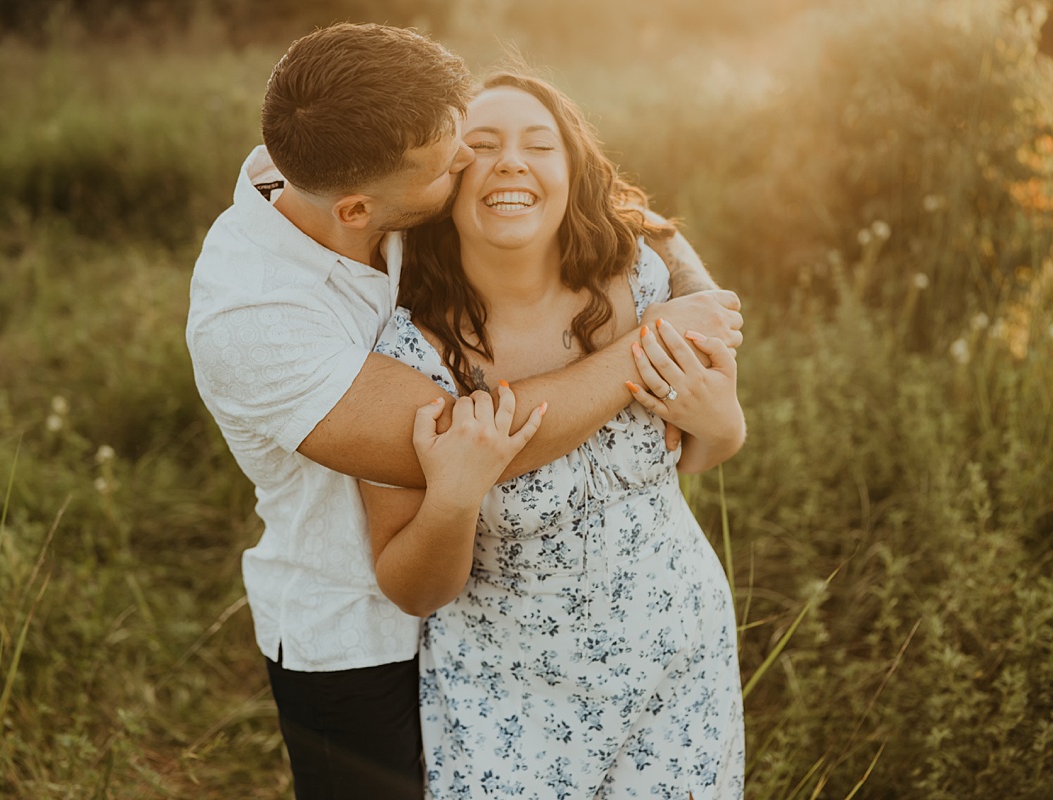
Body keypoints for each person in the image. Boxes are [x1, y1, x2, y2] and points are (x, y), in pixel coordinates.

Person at [186, 23, 743, 800]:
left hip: (589, 635)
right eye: (455, 160)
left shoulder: (378, 158)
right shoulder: (251, 319)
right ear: (358, 210)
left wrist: (695, 295)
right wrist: (651, 346)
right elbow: (468, 444)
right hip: (359, 638)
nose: (471, 161)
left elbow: (596, 196)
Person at [360, 71, 745, 799]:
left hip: (679, 660)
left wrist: (723, 423)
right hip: (513, 698)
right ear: (443, 184)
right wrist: (453, 499)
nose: (511, 161)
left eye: (539, 144)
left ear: (572, 176)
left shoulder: (641, 284)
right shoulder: (407, 358)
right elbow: (411, 588)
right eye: (481, 145)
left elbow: (701, 451)